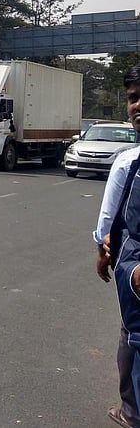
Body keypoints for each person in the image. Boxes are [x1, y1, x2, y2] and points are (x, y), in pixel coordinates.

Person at [94, 64, 140, 428]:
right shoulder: (130, 160)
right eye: (133, 98)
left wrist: (103, 252)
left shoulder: (128, 162)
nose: (137, 106)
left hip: (135, 274)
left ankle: (132, 411)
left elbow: (105, 224)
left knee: (132, 336)